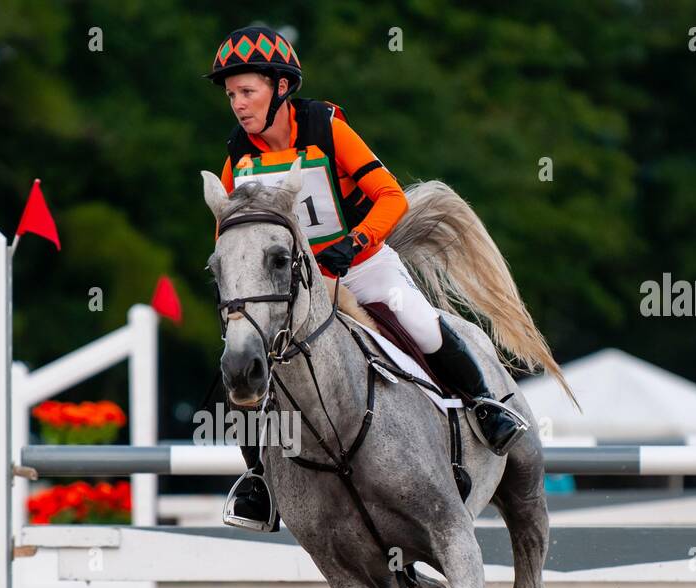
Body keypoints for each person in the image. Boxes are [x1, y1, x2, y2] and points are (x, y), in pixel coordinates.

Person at [207, 26, 527, 531]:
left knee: (417, 320)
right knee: (248, 359)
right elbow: (229, 235)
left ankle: (485, 407)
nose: (238, 105)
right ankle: (258, 480)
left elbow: (391, 196)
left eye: (248, 91)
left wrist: (357, 241)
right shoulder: (237, 159)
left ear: (281, 88)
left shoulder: (326, 128)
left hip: (360, 260)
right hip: (295, 287)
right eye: (231, 95)